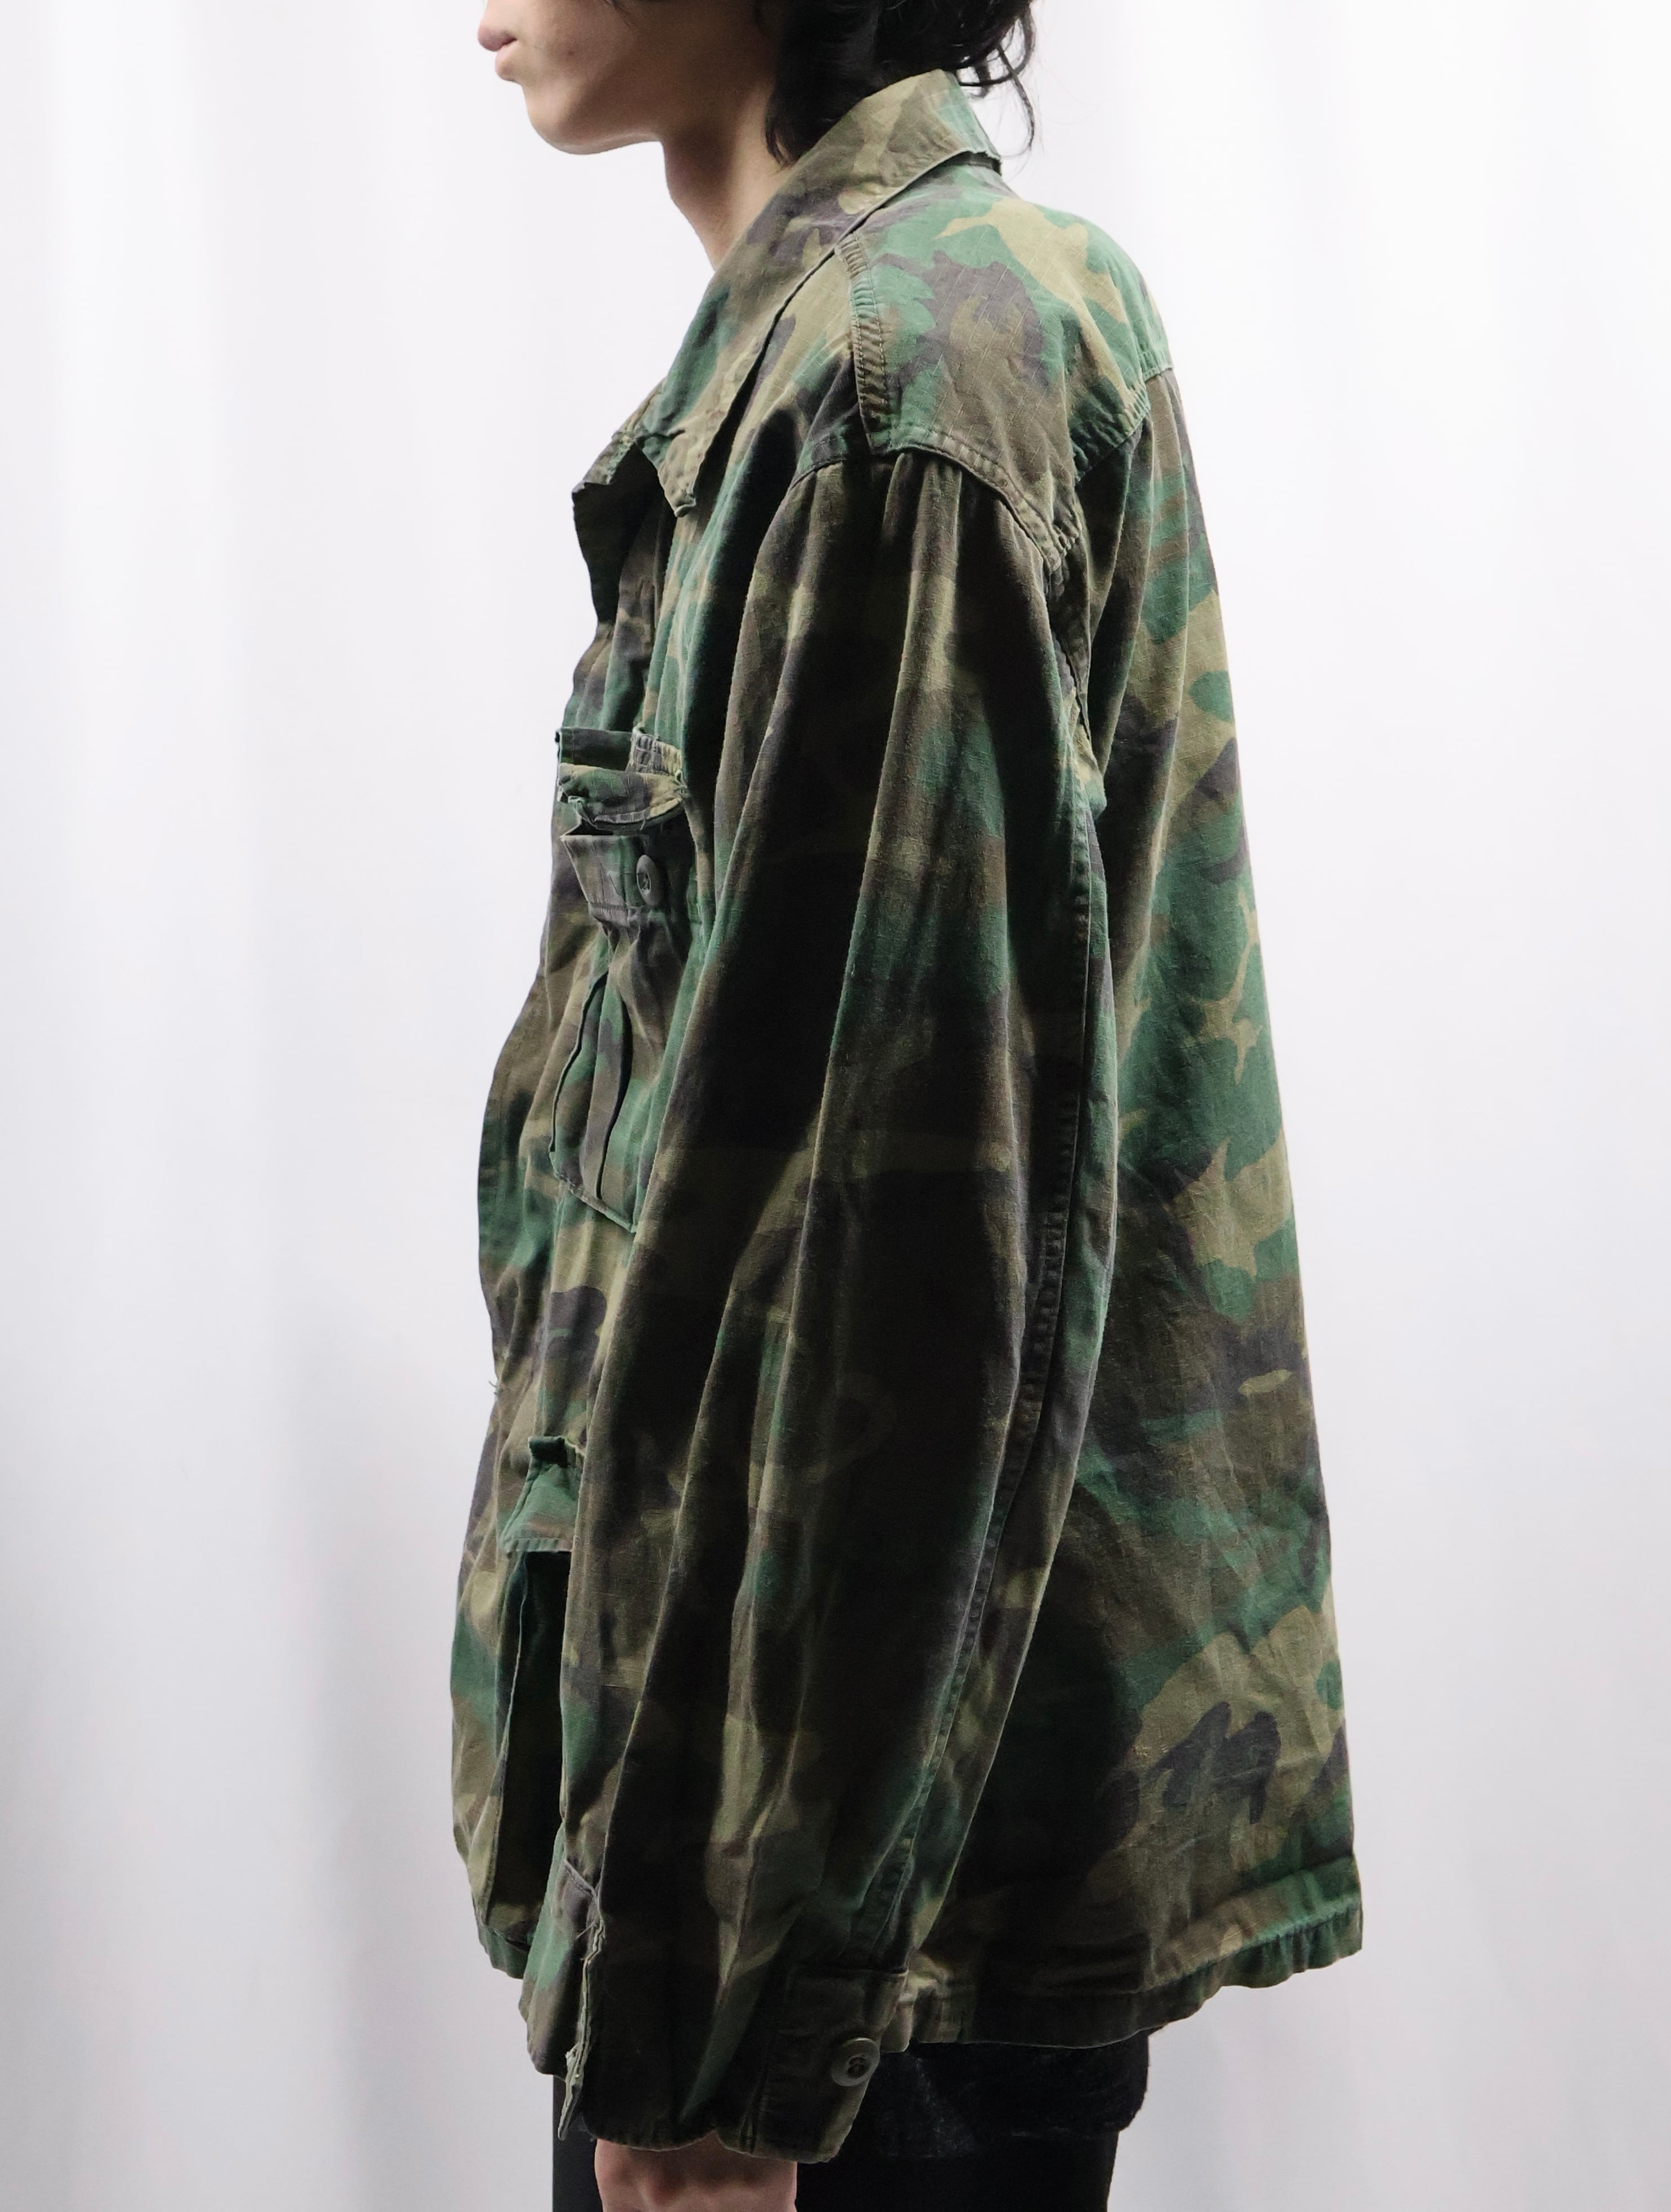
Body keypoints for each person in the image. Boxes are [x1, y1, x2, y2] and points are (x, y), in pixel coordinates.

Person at [451, 4, 1362, 2207]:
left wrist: (721, 2039)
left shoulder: (895, 381)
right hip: (843, 1887)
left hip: (837, 1953)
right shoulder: (915, 327)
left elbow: (887, 1273)